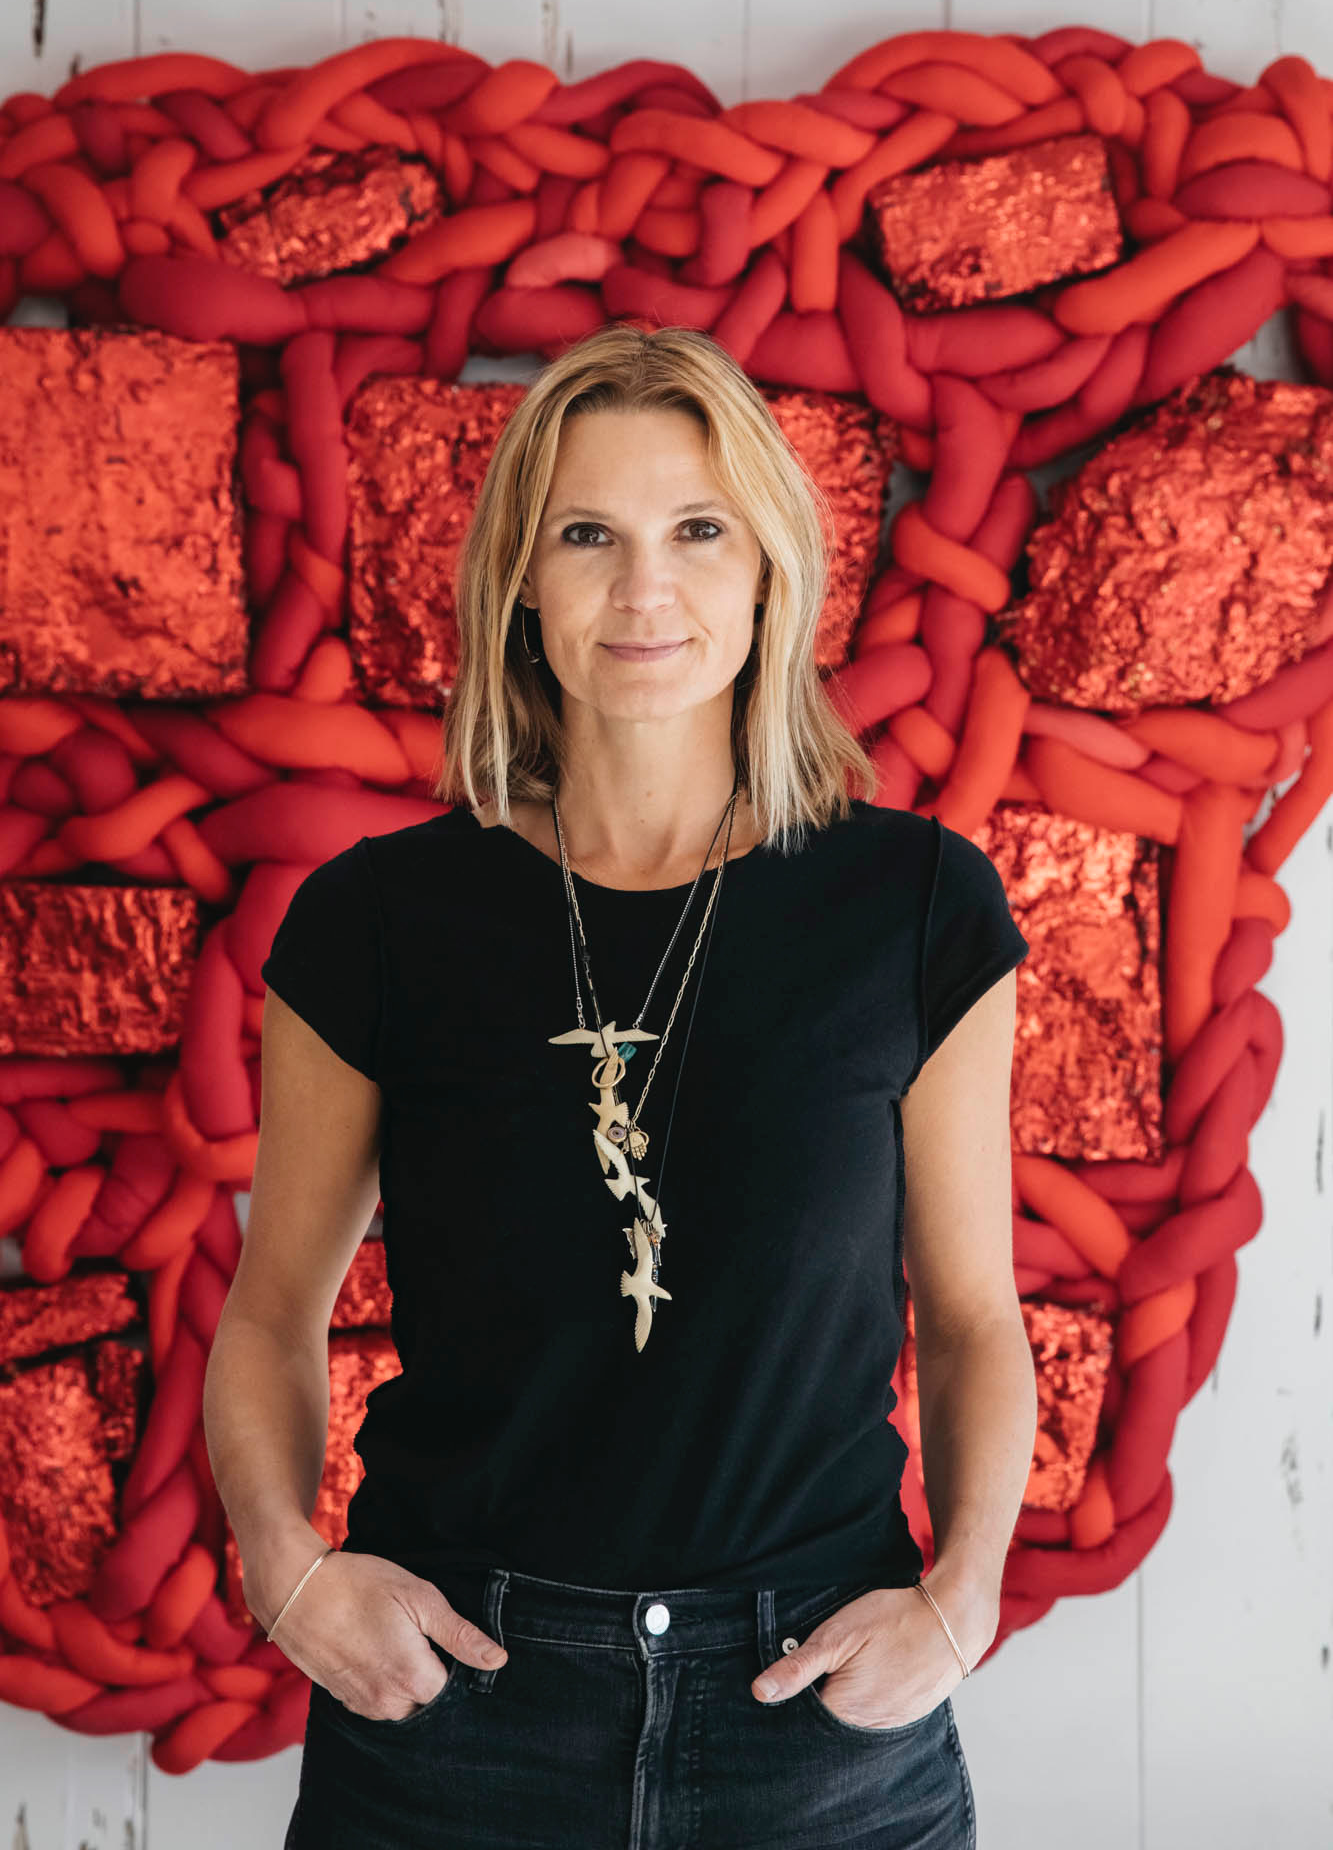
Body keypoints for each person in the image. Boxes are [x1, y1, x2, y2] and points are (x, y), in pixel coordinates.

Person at [204, 322, 1036, 1848]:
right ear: (520, 576)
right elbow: (269, 1311)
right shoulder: (378, 920)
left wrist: (962, 1603)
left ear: (771, 566)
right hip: (460, 1705)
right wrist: (287, 1570)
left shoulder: (914, 907)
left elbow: (976, 1315)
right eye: (587, 534)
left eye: (697, 531)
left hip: (815, 1709)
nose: (644, 589)